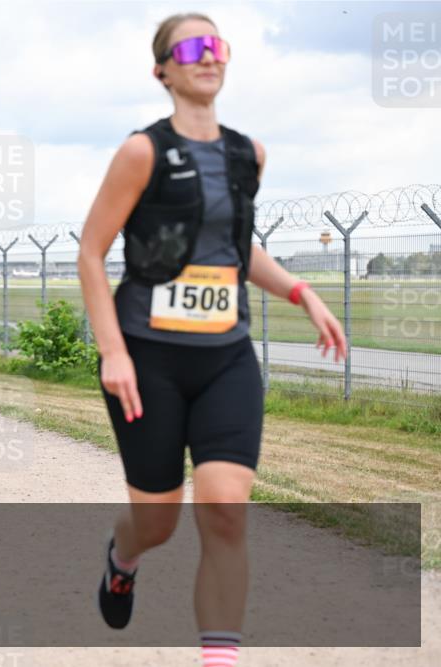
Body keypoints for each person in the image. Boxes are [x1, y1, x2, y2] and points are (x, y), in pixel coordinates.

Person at [76, 14, 347, 666]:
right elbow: (91, 251)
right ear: (162, 70)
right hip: (148, 359)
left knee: (225, 509)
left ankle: (219, 657)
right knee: (157, 523)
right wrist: (113, 351)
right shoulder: (142, 152)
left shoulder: (248, 154)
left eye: (217, 45)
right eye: (192, 47)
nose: (209, 56)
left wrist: (301, 292)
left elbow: (234, 247)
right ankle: (123, 557)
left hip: (226, 358)